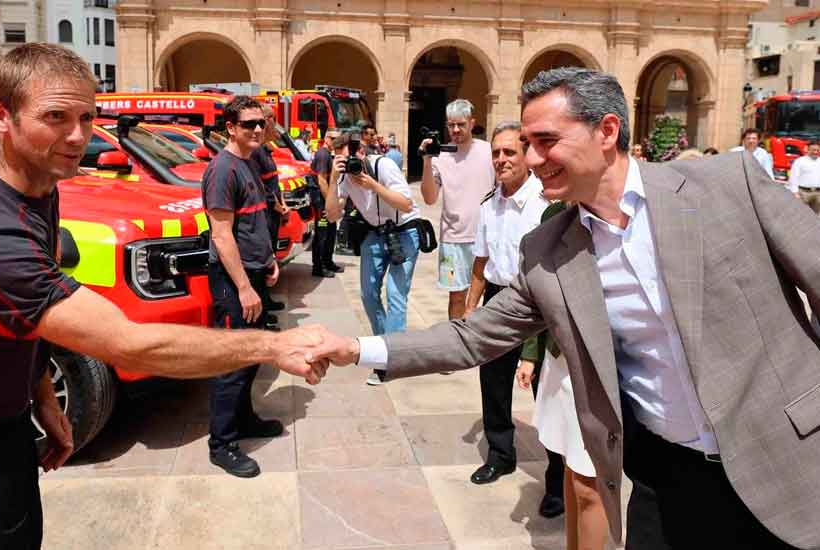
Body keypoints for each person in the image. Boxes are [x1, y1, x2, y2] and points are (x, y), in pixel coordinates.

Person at [310, 67, 820, 549]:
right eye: (528, 144)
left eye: (547, 141)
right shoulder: (549, 250)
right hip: (665, 481)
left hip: (786, 459)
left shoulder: (728, 184)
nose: (532, 159)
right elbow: (471, 336)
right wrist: (355, 348)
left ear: (607, 131)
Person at [0, 44, 327, 550]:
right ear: (1, 118)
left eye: (88, 117)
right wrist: (273, 347)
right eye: (55, 117)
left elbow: (24, 321)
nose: (78, 137)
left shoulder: (38, 186)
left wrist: (42, 398)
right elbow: (129, 343)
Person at [462, 120, 565, 518]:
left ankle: (557, 480)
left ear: (526, 156)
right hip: (497, 298)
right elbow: (481, 261)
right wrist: (471, 308)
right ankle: (500, 454)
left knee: (546, 392)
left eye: (510, 152)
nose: (501, 160)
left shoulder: (546, 204)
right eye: (496, 152)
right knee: (494, 382)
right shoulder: (490, 206)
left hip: (539, 304)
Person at [204, 95, 294, 477]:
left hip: (253, 272)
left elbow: (253, 223)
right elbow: (222, 236)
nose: (257, 130)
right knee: (232, 363)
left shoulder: (249, 162)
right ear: (230, 128)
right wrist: (244, 287)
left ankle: (244, 420)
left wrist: (269, 261)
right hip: (232, 282)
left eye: (260, 123)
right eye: (248, 125)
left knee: (251, 355)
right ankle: (221, 443)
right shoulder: (223, 170)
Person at [517, 204, 609, 548]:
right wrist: (530, 354)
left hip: (598, 370)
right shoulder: (553, 215)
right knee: (572, 473)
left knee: (590, 484)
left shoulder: (622, 217)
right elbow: (540, 295)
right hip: (559, 362)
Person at [324, 131, 421, 386]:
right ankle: (384, 348)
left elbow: (407, 204)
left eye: (349, 160)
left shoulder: (384, 165)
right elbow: (332, 215)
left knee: (396, 294)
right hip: (375, 233)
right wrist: (334, 180)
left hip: (405, 231)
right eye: (341, 162)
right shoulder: (343, 177)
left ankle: (391, 360)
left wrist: (373, 185)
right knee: (368, 294)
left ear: (361, 152)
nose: (349, 167)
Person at [420, 99, 496, 323]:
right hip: (453, 240)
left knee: (490, 298)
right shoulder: (440, 156)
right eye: (450, 125)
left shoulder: (489, 151)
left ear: (472, 123)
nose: (455, 130)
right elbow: (429, 197)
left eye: (460, 124)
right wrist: (426, 160)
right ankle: (457, 346)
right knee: (456, 297)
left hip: (486, 237)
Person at [250, 103, 289, 323]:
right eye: (271, 117)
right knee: (264, 260)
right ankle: (261, 313)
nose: (274, 122)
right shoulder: (256, 152)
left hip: (274, 212)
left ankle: (267, 300)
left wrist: (283, 204)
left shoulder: (266, 149)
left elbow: (274, 182)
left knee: (270, 256)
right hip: (265, 213)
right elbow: (261, 187)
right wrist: (276, 206)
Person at [310, 128, 344, 277]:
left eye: (338, 139)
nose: (336, 142)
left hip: (326, 200)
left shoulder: (328, 155)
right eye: (333, 138)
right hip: (321, 201)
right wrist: (328, 203)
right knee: (322, 234)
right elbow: (321, 180)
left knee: (330, 232)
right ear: (326, 138)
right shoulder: (323, 155)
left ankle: (328, 261)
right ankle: (318, 267)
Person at [787, 140, 820, 213]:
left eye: (817, 150)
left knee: (817, 217)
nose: (815, 152)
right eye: (813, 150)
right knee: (801, 215)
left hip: (818, 193)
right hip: (803, 193)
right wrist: (795, 192)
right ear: (807, 150)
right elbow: (793, 177)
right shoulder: (799, 161)